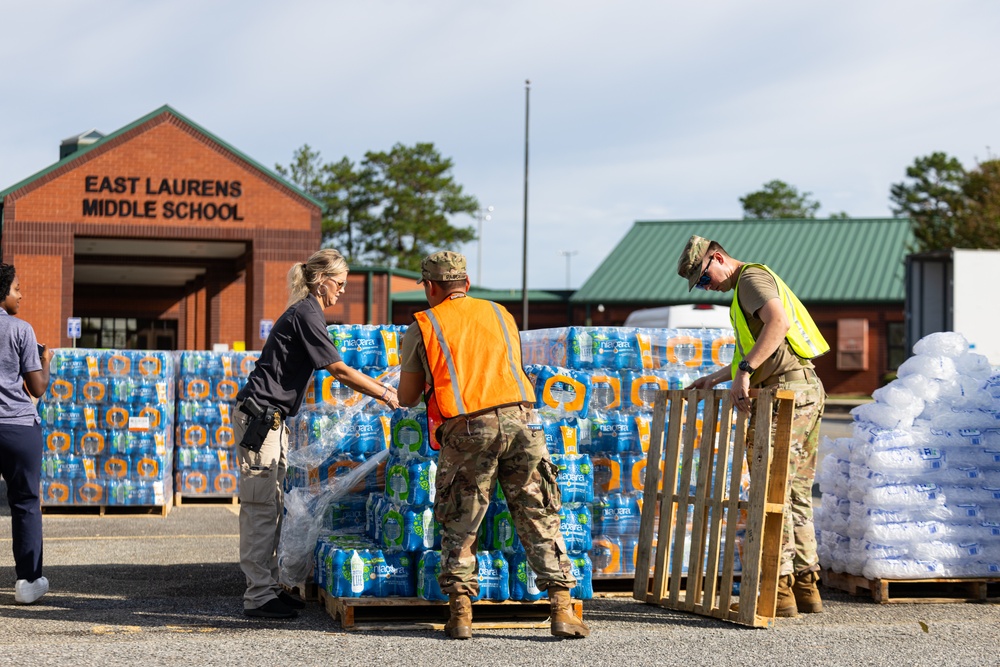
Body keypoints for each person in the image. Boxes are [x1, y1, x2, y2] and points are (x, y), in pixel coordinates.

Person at [396, 250, 589, 640]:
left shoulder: (424, 324)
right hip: (522, 421)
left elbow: (407, 396)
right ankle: (562, 611)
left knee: (462, 521)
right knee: (538, 511)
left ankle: (462, 616)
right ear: (466, 284)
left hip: (469, 429)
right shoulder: (502, 314)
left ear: (430, 287)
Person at [234, 248, 400, 619]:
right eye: (339, 284)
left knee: (272, 504)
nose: (341, 291)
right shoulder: (307, 313)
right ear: (322, 280)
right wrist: (387, 393)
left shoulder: (308, 313)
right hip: (261, 419)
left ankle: (269, 585)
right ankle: (258, 596)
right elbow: (339, 370)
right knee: (260, 507)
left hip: (272, 420)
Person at [675, 235, 828, 618]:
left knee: (769, 491)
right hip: (804, 387)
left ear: (718, 257)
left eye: (705, 278)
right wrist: (718, 376)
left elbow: (778, 324)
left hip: (784, 394)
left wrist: (743, 373)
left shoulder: (749, 281)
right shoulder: (749, 283)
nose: (708, 287)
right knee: (793, 491)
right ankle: (807, 587)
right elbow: (766, 348)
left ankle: (778, 590)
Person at [0, 263, 53, 604]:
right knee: (25, 503)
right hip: (17, 426)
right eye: (17, 288)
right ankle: (28, 582)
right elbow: (37, 386)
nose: (21, 295)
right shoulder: (21, 330)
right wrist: (45, 359)